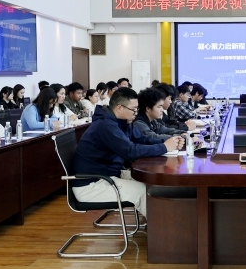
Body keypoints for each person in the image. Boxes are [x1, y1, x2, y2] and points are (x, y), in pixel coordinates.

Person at [72, 87, 183, 218]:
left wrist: (169, 142)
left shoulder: (123, 122)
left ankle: (165, 223)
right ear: (119, 108)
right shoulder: (105, 125)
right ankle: (161, 229)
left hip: (109, 175)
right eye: (133, 109)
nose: (136, 113)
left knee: (154, 183)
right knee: (144, 192)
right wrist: (164, 147)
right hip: (91, 184)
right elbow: (130, 151)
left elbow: (143, 140)